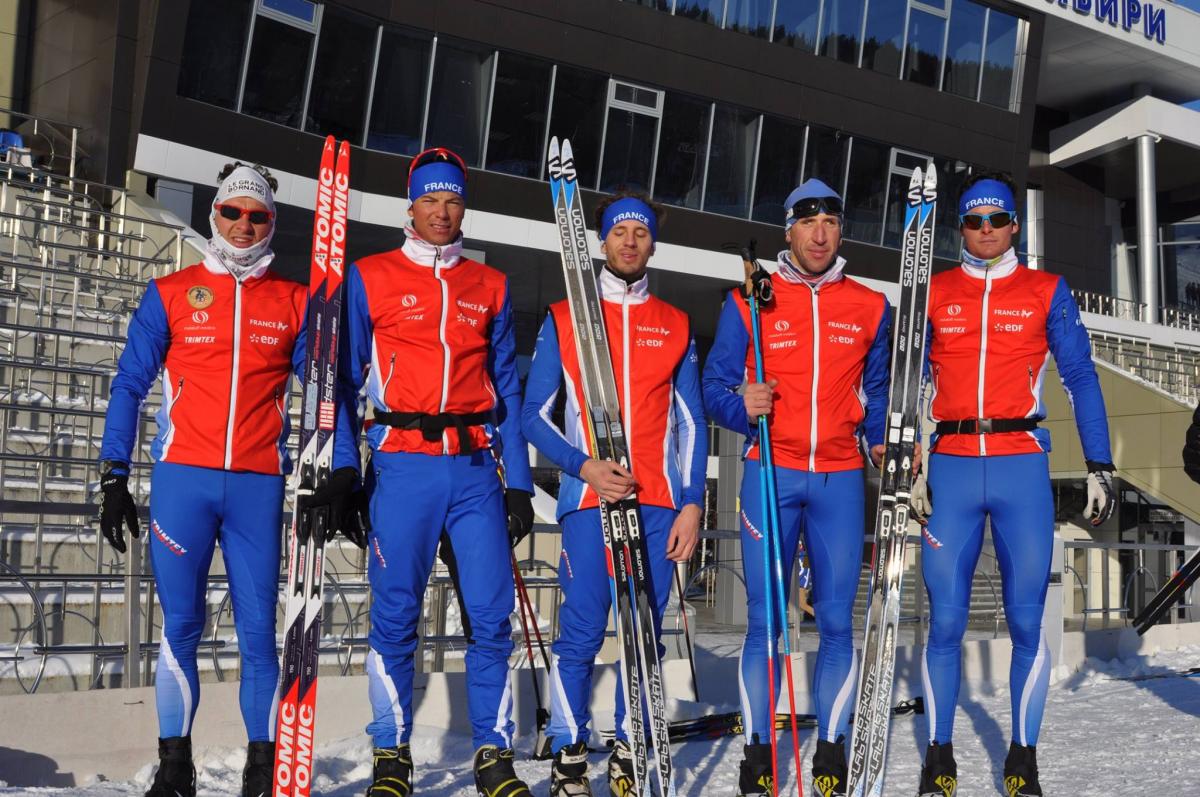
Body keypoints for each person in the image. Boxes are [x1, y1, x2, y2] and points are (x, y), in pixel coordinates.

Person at [98, 163, 365, 797]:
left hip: (257, 484)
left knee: (257, 631)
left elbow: (329, 391)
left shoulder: (296, 300)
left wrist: (346, 466)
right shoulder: (171, 291)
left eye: (258, 216)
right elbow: (131, 383)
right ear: (213, 215)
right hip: (181, 480)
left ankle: (261, 766)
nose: (244, 226)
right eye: (232, 213)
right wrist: (114, 474)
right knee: (181, 627)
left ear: (273, 223)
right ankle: (173, 766)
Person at [333, 147, 536, 797]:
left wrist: (521, 485)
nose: (442, 212)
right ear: (410, 206)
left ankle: (493, 754)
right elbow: (340, 381)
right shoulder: (370, 277)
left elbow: (508, 394)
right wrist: (343, 469)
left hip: (475, 471)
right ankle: (391, 754)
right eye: (430, 200)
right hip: (402, 469)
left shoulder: (491, 286)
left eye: (452, 200)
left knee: (490, 615)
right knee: (394, 616)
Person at [912, 171, 1116, 797]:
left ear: (1014, 225)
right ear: (960, 229)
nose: (986, 232)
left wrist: (1099, 463)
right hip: (948, 462)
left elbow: (1080, 375)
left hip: (1020, 459)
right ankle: (939, 755)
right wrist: (910, 458)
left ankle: (1023, 758)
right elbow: (904, 382)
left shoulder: (1046, 289)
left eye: (996, 220)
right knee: (944, 622)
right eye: (973, 222)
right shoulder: (933, 289)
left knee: (1027, 621)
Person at [702, 179, 892, 797]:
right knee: (766, 624)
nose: (819, 233)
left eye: (831, 222)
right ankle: (759, 753)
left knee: (836, 620)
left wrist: (881, 436)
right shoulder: (750, 301)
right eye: (808, 222)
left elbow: (879, 393)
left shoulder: (870, 306)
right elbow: (713, 388)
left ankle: (831, 751)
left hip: (839, 476)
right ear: (788, 229)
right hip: (770, 471)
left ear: (841, 231)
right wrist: (740, 404)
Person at [520, 193, 707, 797]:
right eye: (619, 231)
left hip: (656, 507)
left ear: (654, 244)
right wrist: (584, 466)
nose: (630, 241)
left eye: (641, 233)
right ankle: (570, 754)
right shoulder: (564, 316)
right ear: (600, 242)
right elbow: (532, 416)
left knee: (642, 636)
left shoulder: (676, 324)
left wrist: (692, 504)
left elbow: (692, 425)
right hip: (588, 503)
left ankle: (630, 746)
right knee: (579, 632)